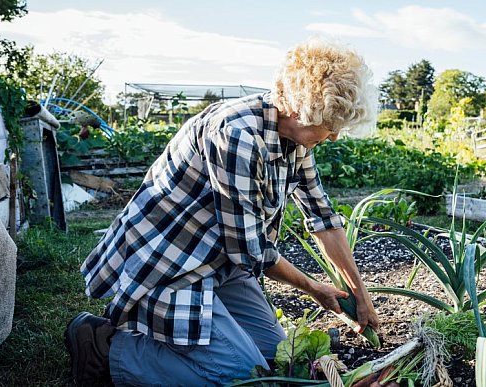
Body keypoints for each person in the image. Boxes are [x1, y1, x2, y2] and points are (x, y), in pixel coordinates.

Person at [65, 38, 380, 386]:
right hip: (172, 265)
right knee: (242, 376)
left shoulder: (297, 140)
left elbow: (323, 219)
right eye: (330, 125)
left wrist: (360, 295)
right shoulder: (237, 136)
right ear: (296, 110)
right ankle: (109, 349)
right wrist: (313, 288)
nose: (334, 136)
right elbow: (250, 251)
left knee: (272, 360)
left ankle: (183, 341)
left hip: (220, 264)